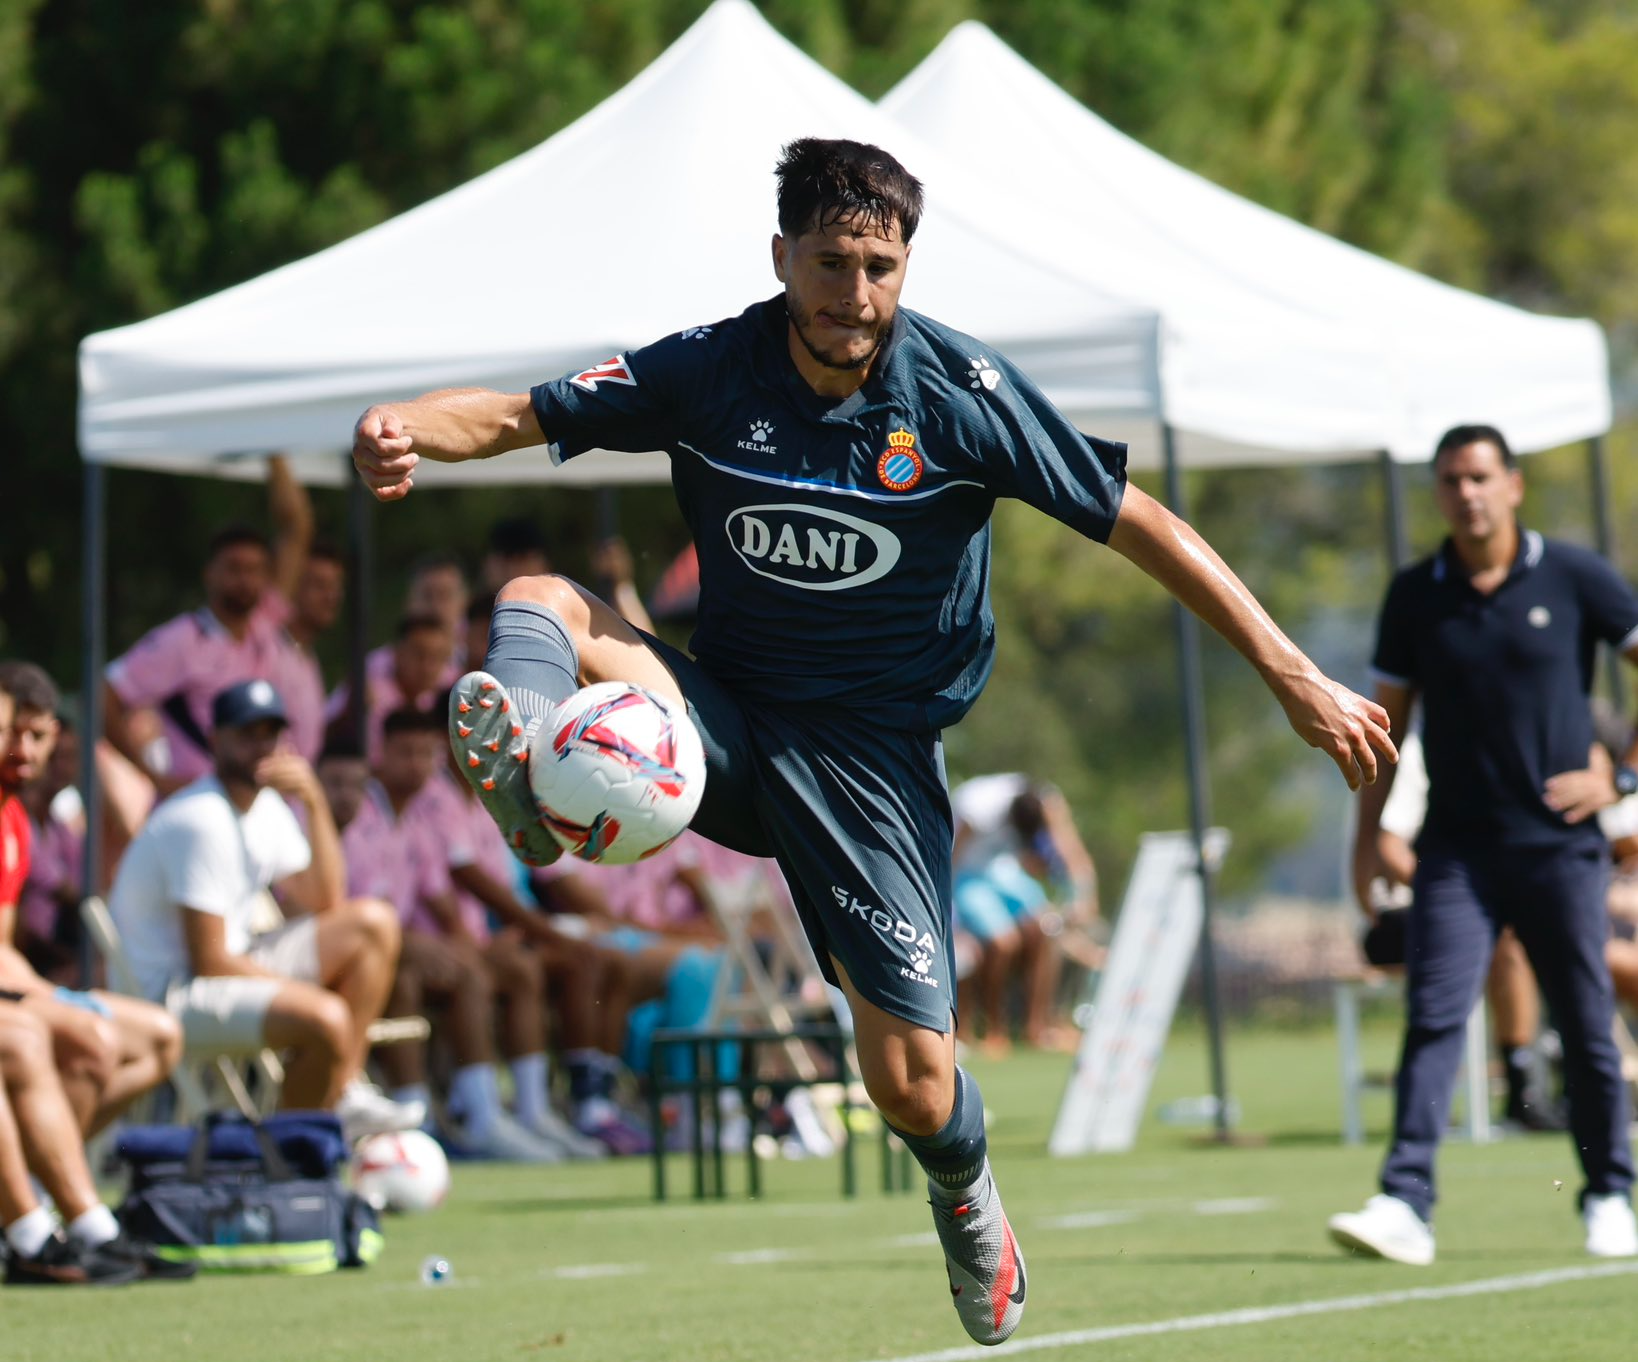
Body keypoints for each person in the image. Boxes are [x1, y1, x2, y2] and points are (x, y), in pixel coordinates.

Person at [352, 137, 1394, 1345]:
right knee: (538, 597)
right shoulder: (710, 367)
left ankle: (967, 1196)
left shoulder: (960, 394)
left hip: (874, 772)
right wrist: (404, 427)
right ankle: (528, 763)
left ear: (907, 265)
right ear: (783, 254)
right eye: (833, 263)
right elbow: (520, 413)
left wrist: (1293, 671)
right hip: (726, 727)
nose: (856, 296)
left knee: (908, 1084)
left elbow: (1140, 519)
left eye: (882, 267)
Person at [1332, 423, 1638, 1267]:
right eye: (1450, 480)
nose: (1465, 493)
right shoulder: (1415, 594)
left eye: (1478, 477)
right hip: (1456, 857)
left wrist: (1622, 784)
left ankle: (1611, 1192)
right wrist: (1367, 843)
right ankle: (1405, 1202)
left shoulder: (1575, 578)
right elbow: (1384, 725)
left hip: (1560, 849)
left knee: (1584, 1022)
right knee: (1433, 1017)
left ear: (1513, 486)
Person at [106, 679, 422, 1141]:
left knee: (374, 923)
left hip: (224, 966)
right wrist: (315, 1000)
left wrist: (313, 801)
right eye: (247, 733)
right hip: (168, 996)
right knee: (327, 1018)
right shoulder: (200, 820)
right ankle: (290, 1156)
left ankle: (342, 1093)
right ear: (215, 740)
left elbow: (325, 901)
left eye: (270, 733)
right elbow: (210, 960)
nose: (261, 745)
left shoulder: (267, 805)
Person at [0, 662, 184, 1136]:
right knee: (90, 1039)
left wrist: (57, 996)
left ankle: (43, 1171)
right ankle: (45, 1190)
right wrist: (54, 997)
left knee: (163, 1037)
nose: (21, 751)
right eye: (8, 733)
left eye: (38, 738)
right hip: (26, 983)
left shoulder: (21, 820)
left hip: (27, 979)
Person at [1363, 730, 1566, 1130]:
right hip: (1404, 910)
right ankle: (1520, 1086)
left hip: (1476, 905)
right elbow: (1390, 848)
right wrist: (1450, 893)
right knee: (1505, 938)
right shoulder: (1425, 748)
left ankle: (1562, 1074)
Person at [104, 522, 324, 791]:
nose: (245, 580)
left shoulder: (266, 625)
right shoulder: (182, 640)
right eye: (234, 568)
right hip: (200, 801)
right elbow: (103, 696)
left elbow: (296, 525)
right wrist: (153, 778)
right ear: (209, 574)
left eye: (254, 570)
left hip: (259, 800)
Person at [950, 774, 1099, 1052]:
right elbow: (951, 855)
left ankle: (1038, 1027)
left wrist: (1083, 895)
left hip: (1002, 870)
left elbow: (1069, 850)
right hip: (965, 873)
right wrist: (949, 911)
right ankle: (996, 1030)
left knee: (1047, 929)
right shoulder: (980, 808)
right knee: (1003, 943)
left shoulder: (1046, 800)